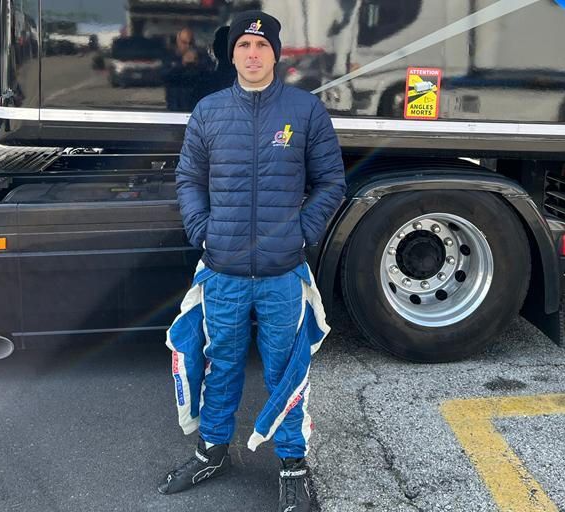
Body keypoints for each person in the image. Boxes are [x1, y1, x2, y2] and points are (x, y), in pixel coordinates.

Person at [159, 10, 346, 512]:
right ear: (232, 55)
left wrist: (301, 233)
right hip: (223, 271)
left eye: (262, 46)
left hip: (283, 273)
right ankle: (212, 451)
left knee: (287, 369)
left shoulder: (304, 111)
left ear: (276, 54)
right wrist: (203, 232)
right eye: (243, 45)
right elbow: (189, 180)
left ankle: (292, 465)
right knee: (220, 365)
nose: (253, 54)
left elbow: (331, 181)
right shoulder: (210, 111)